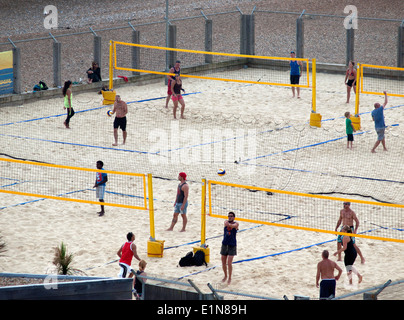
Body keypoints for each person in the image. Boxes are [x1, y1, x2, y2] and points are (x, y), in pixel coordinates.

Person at [221, 212, 239, 284]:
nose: (230, 217)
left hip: (232, 245)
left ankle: (230, 277)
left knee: (229, 263)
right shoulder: (226, 222)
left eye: (231, 216)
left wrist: (230, 225)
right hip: (225, 244)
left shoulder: (236, 224)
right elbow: (226, 223)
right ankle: (225, 276)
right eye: (229, 216)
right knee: (223, 262)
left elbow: (235, 225)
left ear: (234, 217)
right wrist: (229, 225)